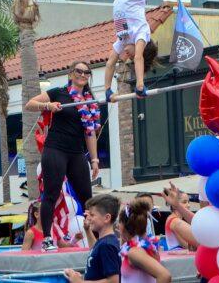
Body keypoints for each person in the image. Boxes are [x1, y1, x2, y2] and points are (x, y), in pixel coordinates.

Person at [24, 61, 101, 252]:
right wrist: (48, 105)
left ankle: (96, 236)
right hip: (55, 149)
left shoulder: (89, 101)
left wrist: (95, 160)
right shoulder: (59, 92)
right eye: (79, 71)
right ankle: (48, 237)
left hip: (76, 152)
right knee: (50, 193)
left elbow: (90, 133)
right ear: (71, 73)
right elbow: (29, 105)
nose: (83, 75)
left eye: (86, 72)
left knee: (87, 198)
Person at [64, 194, 121, 283]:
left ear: (107, 218)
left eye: (92, 215)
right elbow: (94, 250)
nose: (88, 218)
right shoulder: (104, 241)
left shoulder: (107, 245)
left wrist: (80, 282)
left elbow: (113, 281)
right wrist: (87, 229)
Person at [118, 199, 171, 283]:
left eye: (119, 222)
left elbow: (165, 276)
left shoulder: (135, 251)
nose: (118, 226)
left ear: (123, 225)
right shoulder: (138, 247)